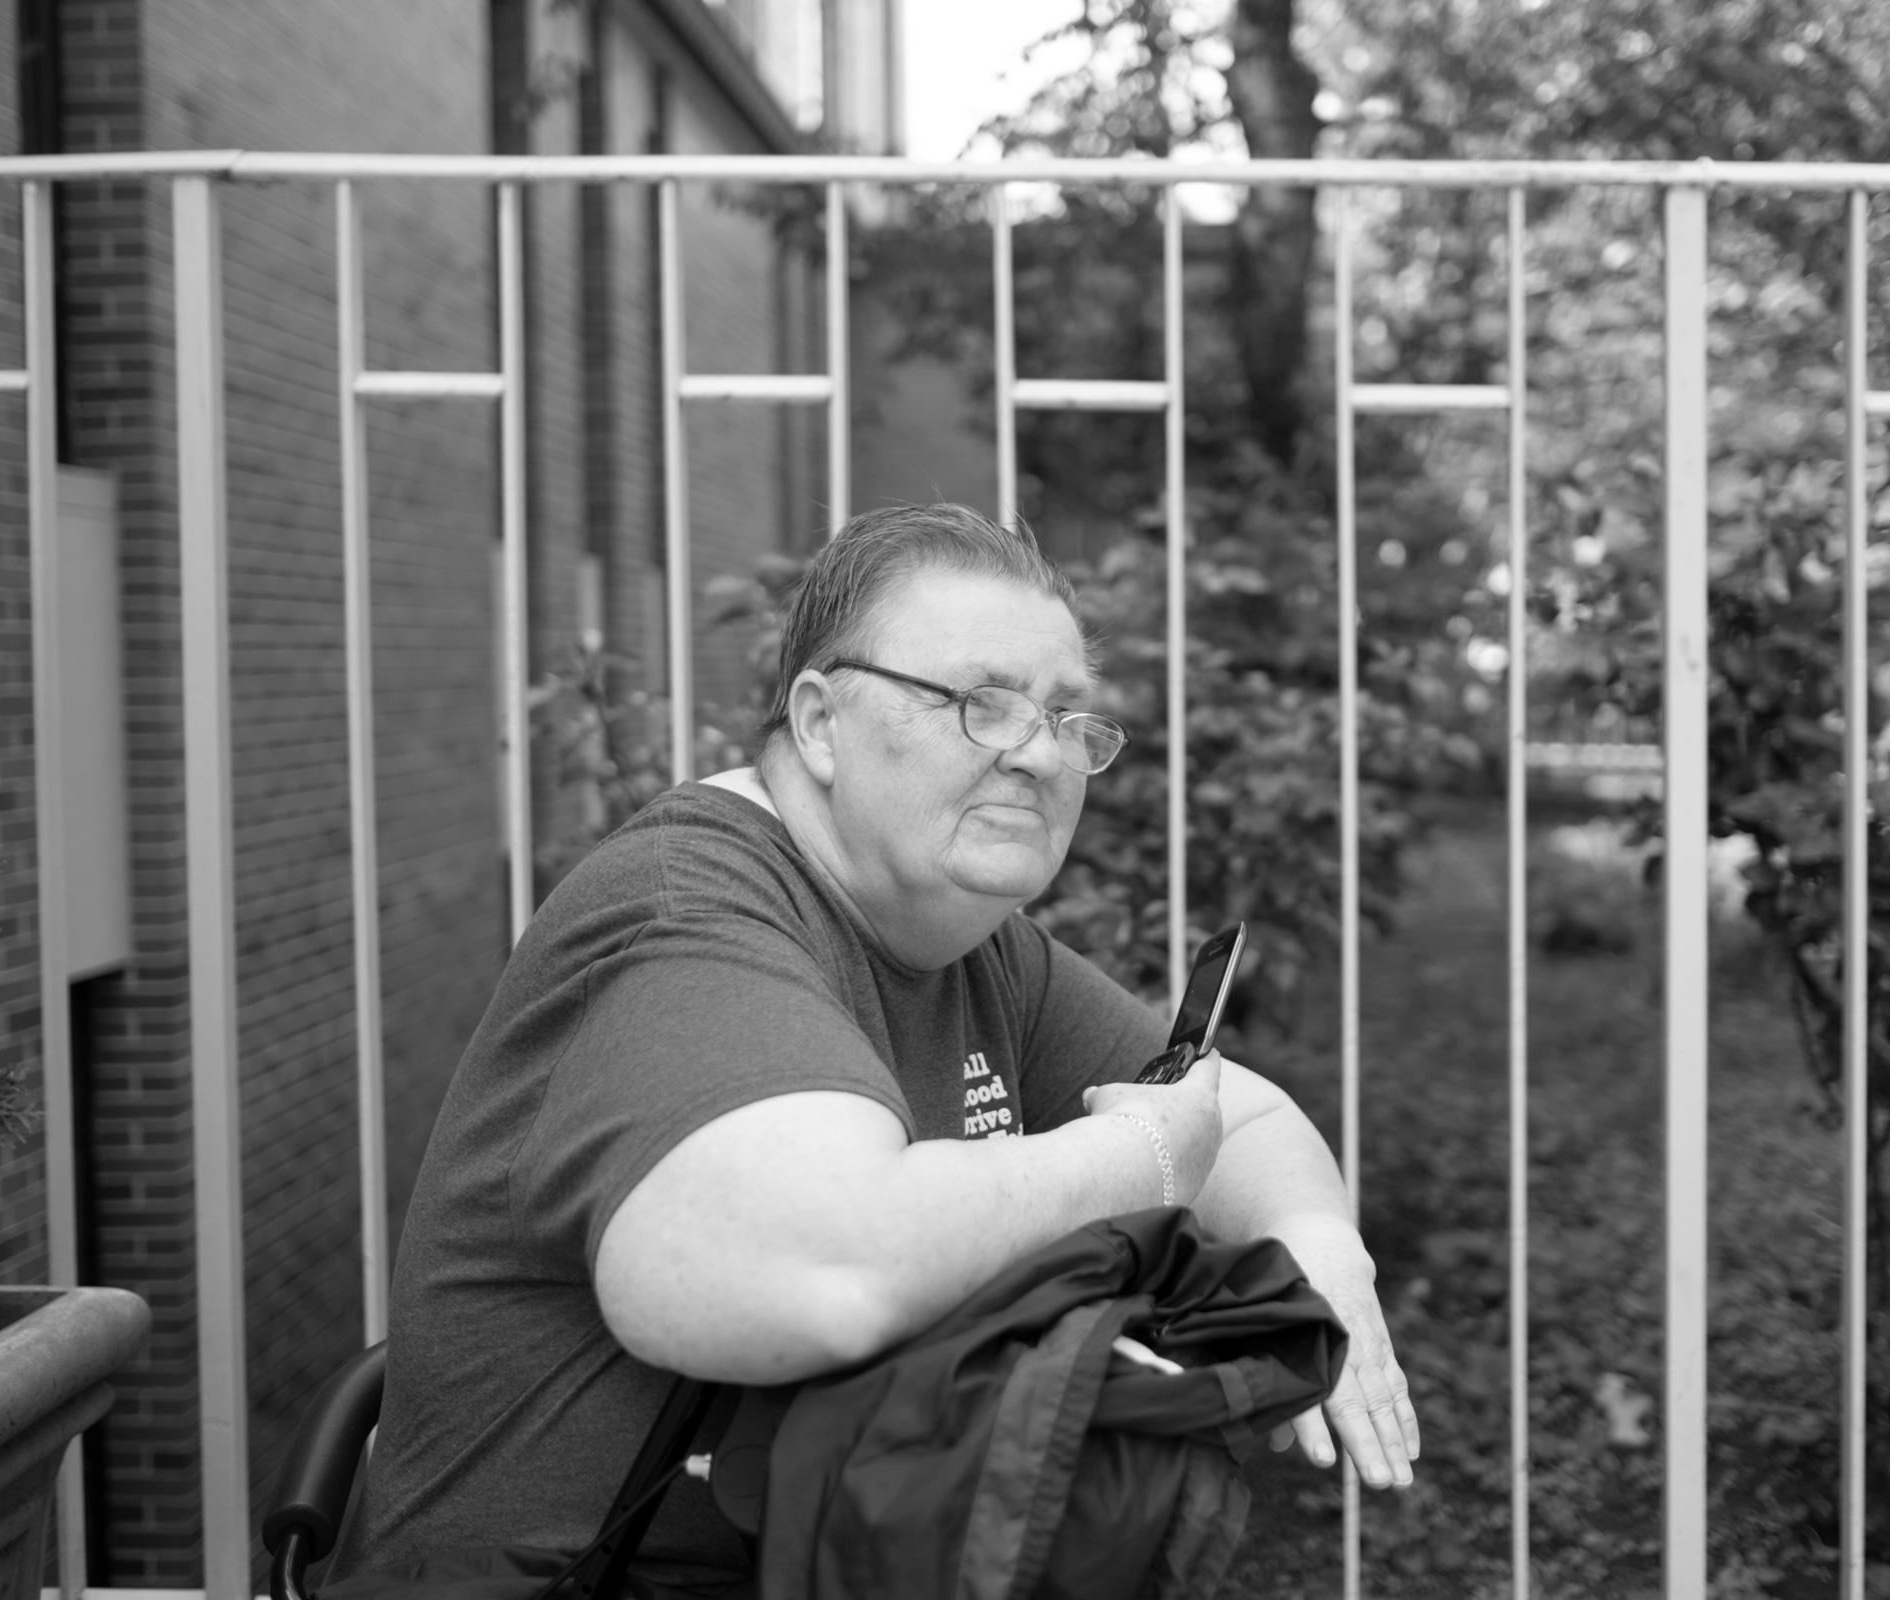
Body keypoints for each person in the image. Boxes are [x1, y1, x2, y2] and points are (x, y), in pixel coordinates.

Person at [331, 504, 1418, 1591]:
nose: (1040, 754)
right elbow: (818, 1276)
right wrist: (1143, 1159)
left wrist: (1317, 1238)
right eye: (981, 705)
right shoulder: (688, 916)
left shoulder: (965, 942)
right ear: (818, 723)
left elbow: (1239, 1112)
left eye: (1067, 716)